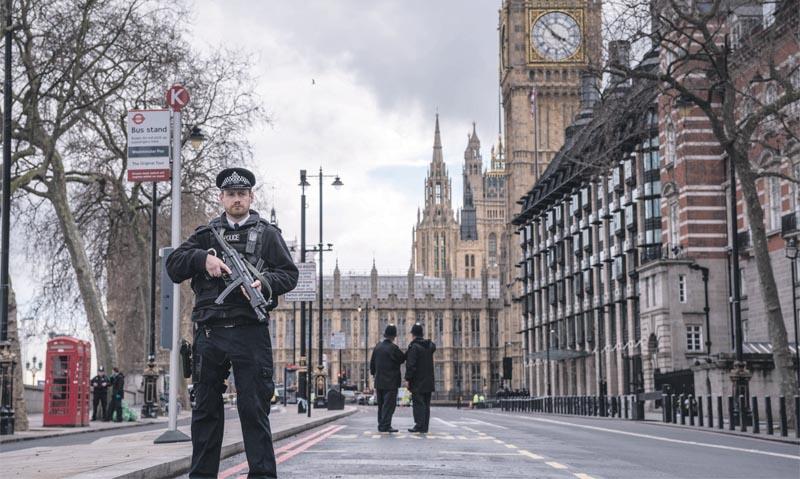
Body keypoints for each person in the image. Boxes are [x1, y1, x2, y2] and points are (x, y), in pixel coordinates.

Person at [166, 167, 298, 479]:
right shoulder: (205, 236)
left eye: (242, 194)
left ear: (252, 197)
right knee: (205, 412)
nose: (237, 199)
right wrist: (203, 260)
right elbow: (173, 267)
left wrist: (263, 283)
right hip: (210, 332)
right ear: (221, 198)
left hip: (249, 331)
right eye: (231, 194)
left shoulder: (268, 235)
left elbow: (289, 274)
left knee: (253, 410)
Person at [369, 324, 405, 433]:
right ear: (393, 336)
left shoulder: (377, 347)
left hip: (379, 382)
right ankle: (385, 425)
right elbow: (402, 359)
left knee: (381, 405)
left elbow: (372, 365)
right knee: (389, 406)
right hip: (391, 382)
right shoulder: (393, 348)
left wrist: (375, 373)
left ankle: (381, 424)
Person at [404, 323, 435, 433]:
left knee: (418, 403)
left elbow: (411, 365)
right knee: (426, 405)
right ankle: (424, 426)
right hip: (429, 381)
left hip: (418, 382)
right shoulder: (429, 346)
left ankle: (419, 425)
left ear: (413, 334)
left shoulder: (414, 347)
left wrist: (408, 379)